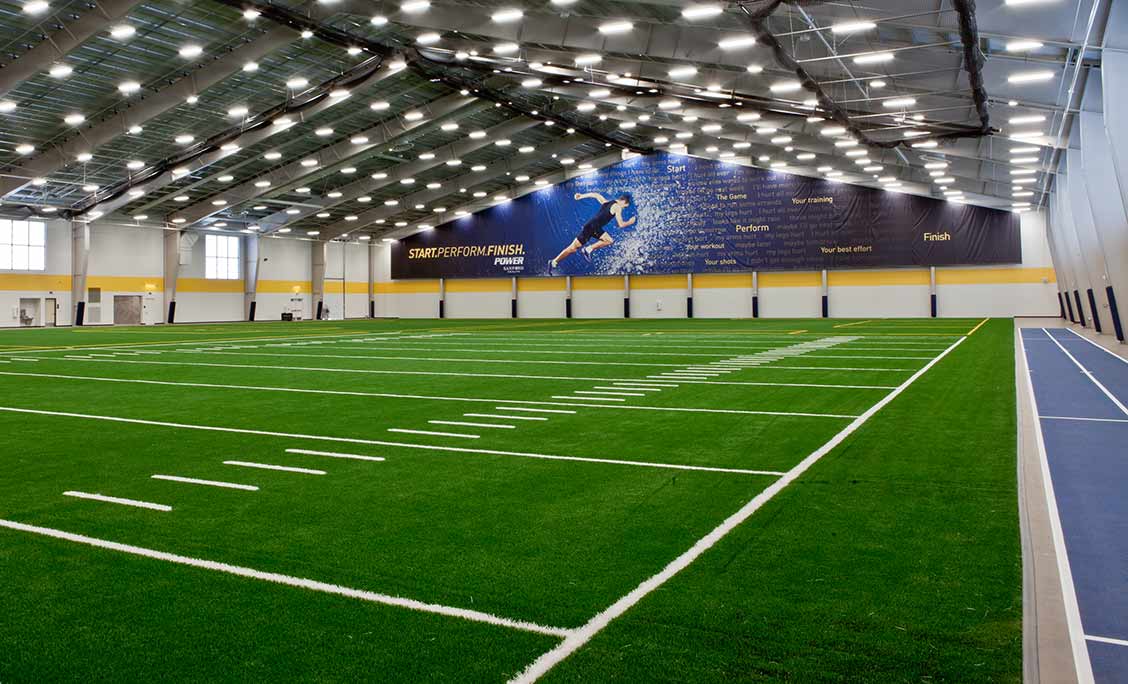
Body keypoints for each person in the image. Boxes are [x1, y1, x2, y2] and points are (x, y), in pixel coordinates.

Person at [549, 192, 635, 272]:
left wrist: (581, 196)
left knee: (572, 248)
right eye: (625, 206)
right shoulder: (618, 207)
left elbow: (595, 195)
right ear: (623, 201)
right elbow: (621, 224)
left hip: (591, 226)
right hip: (594, 227)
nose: (623, 208)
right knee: (609, 240)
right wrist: (630, 222)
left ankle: (554, 262)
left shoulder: (607, 202)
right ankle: (587, 249)